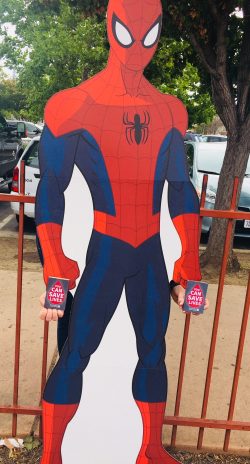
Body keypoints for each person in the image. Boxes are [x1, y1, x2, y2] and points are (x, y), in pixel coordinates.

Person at [36, 0, 209, 462]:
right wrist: (53, 256)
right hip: (107, 250)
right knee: (76, 354)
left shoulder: (170, 111)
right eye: (127, 34)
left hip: (149, 253)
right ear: (111, 29)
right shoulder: (75, 105)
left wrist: (188, 255)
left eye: (149, 36)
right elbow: (50, 189)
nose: (137, 49)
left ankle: (149, 448)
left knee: (153, 352)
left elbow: (180, 190)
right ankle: (52, 455)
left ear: (158, 31)